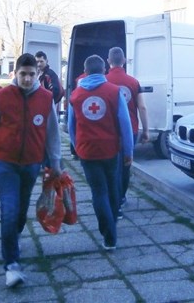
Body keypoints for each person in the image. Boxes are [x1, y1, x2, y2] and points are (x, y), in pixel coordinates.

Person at [0, 53, 62, 288]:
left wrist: (56, 162)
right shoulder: (0, 97)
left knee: (21, 211)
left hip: (32, 164)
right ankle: (11, 265)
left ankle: (13, 238)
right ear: (15, 74)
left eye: (31, 74)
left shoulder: (46, 97)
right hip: (5, 163)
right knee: (9, 211)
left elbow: (52, 134)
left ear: (37, 74)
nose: (28, 79)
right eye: (23, 74)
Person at [68, 54, 133, 251]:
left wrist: (76, 145)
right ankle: (112, 224)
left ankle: (108, 235)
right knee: (112, 188)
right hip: (111, 150)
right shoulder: (114, 92)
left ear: (85, 72)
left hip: (87, 151)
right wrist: (128, 151)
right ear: (104, 70)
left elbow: (71, 126)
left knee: (98, 192)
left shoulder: (76, 95)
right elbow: (125, 124)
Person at [106, 47, 149, 217]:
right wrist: (145, 131)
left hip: (109, 132)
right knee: (125, 166)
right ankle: (121, 197)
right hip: (130, 131)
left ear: (108, 61)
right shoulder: (133, 82)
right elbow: (142, 107)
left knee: (111, 167)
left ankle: (112, 200)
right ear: (124, 60)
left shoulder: (104, 81)